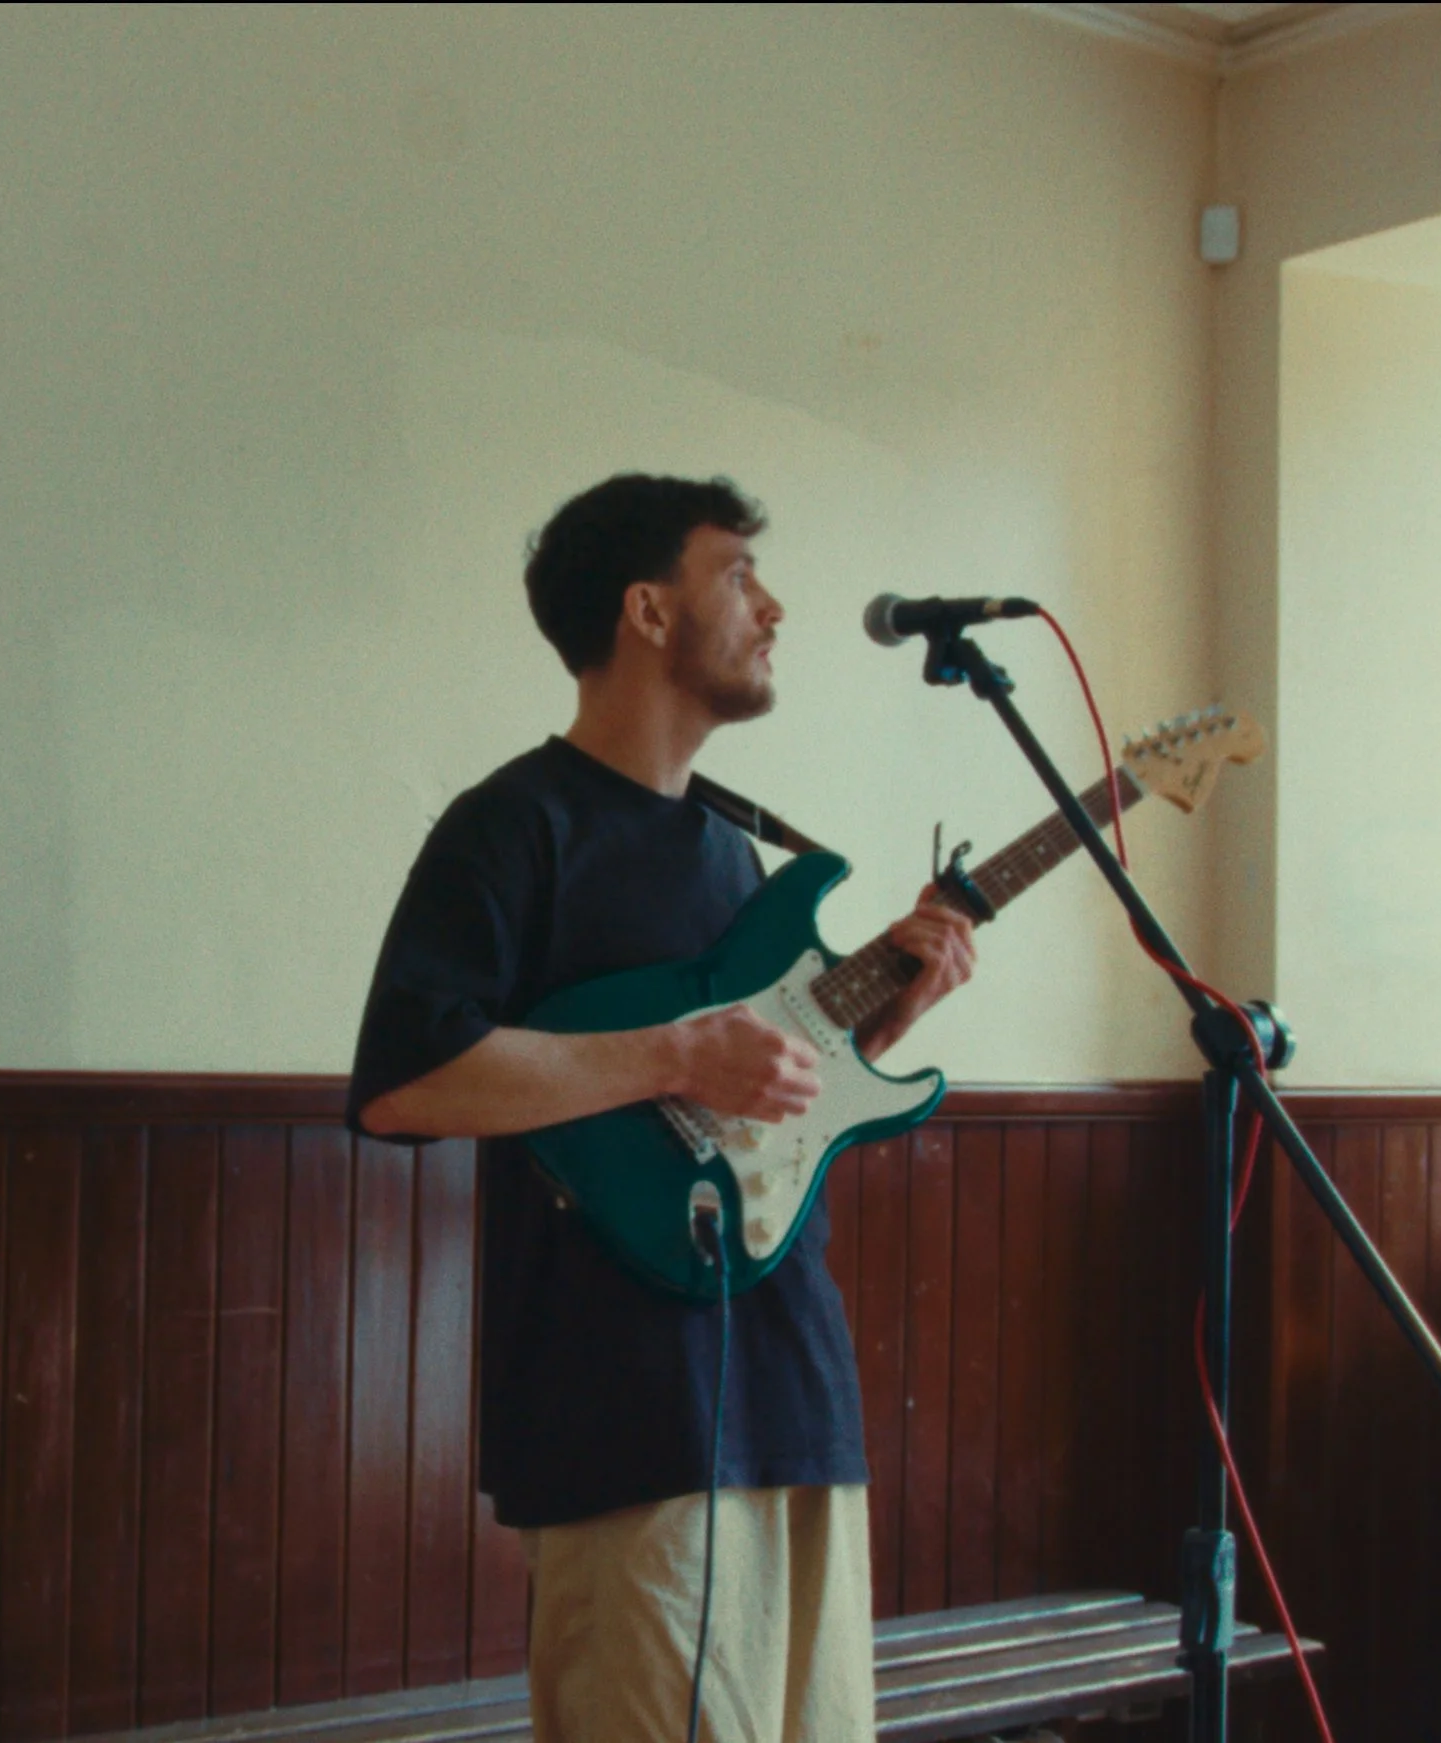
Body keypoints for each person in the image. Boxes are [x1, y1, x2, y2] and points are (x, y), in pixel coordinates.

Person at [348, 473, 977, 1742]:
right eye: (738, 576)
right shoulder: (509, 826)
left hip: (794, 1389)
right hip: (622, 1415)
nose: (774, 607)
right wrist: (674, 1056)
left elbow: (752, 1102)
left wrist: (876, 1029)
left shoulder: (737, 853)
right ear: (646, 610)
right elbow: (403, 1086)